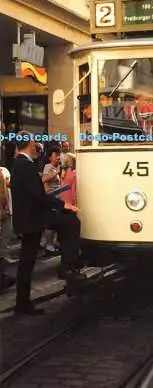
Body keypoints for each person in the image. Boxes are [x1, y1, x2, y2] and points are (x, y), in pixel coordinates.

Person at [11, 131, 86, 315]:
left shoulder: (18, 163)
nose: (37, 144)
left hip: (28, 218)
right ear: (29, 143)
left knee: (26, 262)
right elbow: (37, 196)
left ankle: (23, 302)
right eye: (35, 141)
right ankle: (67, 265)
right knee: (70, 222)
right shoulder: (26, 165)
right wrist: (63, 204)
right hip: (33, 218)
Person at [42, 147, 62, 255]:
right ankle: (48, 245)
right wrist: (56, 173)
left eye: (58, 155)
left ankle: (53, 244)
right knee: (50, 222)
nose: (58, 157)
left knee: (55, 221)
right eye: (56, 155)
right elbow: (44, 179)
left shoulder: (57, 167)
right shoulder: (48, 167)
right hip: (51, 197)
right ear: (50, 157)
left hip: (58, 197)